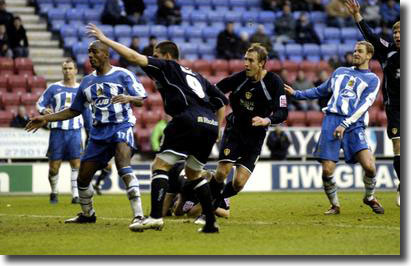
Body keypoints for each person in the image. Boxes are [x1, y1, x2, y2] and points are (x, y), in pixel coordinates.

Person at [87, 23, 228, 233]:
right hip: (209, 124)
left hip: (186, 119)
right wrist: (217, 129)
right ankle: (210, 222)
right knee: (194, 174)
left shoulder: (167, 66)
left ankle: (154, 217)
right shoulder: (198, 76)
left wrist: (105, 40)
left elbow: (134, 57)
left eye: (156, 54)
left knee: (159, 166)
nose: (152, 58)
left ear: (167, 56)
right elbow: (221, 102)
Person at [26, 40, 147, 230]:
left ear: (106, 54)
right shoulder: (87, 82)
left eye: (95, 52)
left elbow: (141, 99)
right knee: (82, 179)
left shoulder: (123, 75)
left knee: (123, 165)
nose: (90, 56)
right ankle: (88, 214)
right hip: (98, 133)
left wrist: (129, 98)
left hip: (121, 127)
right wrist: (46, 119)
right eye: (89, 53)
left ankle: (139, 216)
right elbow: (74, 110)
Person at [284, 40, 384, 215]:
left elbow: (364, 106)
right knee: (327, 169)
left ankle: (369, 197)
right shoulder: (339, 72)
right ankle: (335, 205)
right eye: (354, 51)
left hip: (354, 124)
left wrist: (345, 124)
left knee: (369, 166)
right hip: (331, 120)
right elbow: (320, 90)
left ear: (369, 55)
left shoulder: (372, 79)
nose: (355, 53)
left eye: (360, 51)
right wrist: (296, 94)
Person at [209, 43, 288, 212]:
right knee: (222, 172)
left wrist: (267, 119)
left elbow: (283, 112)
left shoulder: (274, 82)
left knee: (238, 183)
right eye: (245, 59)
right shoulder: (239, 78)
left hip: (256, 137)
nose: (246, 64)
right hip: (235, 131)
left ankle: (217, 198)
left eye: (250, 60)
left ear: (262, 63)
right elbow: (215, 91)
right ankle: (208, 211)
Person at [345, 0, 400, 207]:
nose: (397, 35)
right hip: (395, 108)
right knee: (398, 146)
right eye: (395, 32)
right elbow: (371, 36)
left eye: (401, 32)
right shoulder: (388, 50)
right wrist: (357, 15)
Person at [36, 59, 90, 204]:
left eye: (70, 68)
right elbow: (39, 103)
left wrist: (89, 130)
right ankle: (54, 191)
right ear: (62, 70)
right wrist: (43, 110)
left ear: (76, 71)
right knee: (54, 167)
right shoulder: (53, 88)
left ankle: (75, 195)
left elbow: (86, 112)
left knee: (76, 164)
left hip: (75, 131)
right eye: (65, 69)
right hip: (57, 132)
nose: (67, 71)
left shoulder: (81, 90)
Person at [162, 162, 230, 220]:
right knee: (162, 212)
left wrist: (209, 204)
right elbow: (179, 212)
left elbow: (226, 214)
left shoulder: (219, 187)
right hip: (178, 172)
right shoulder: (187, 189)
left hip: (185, 173)